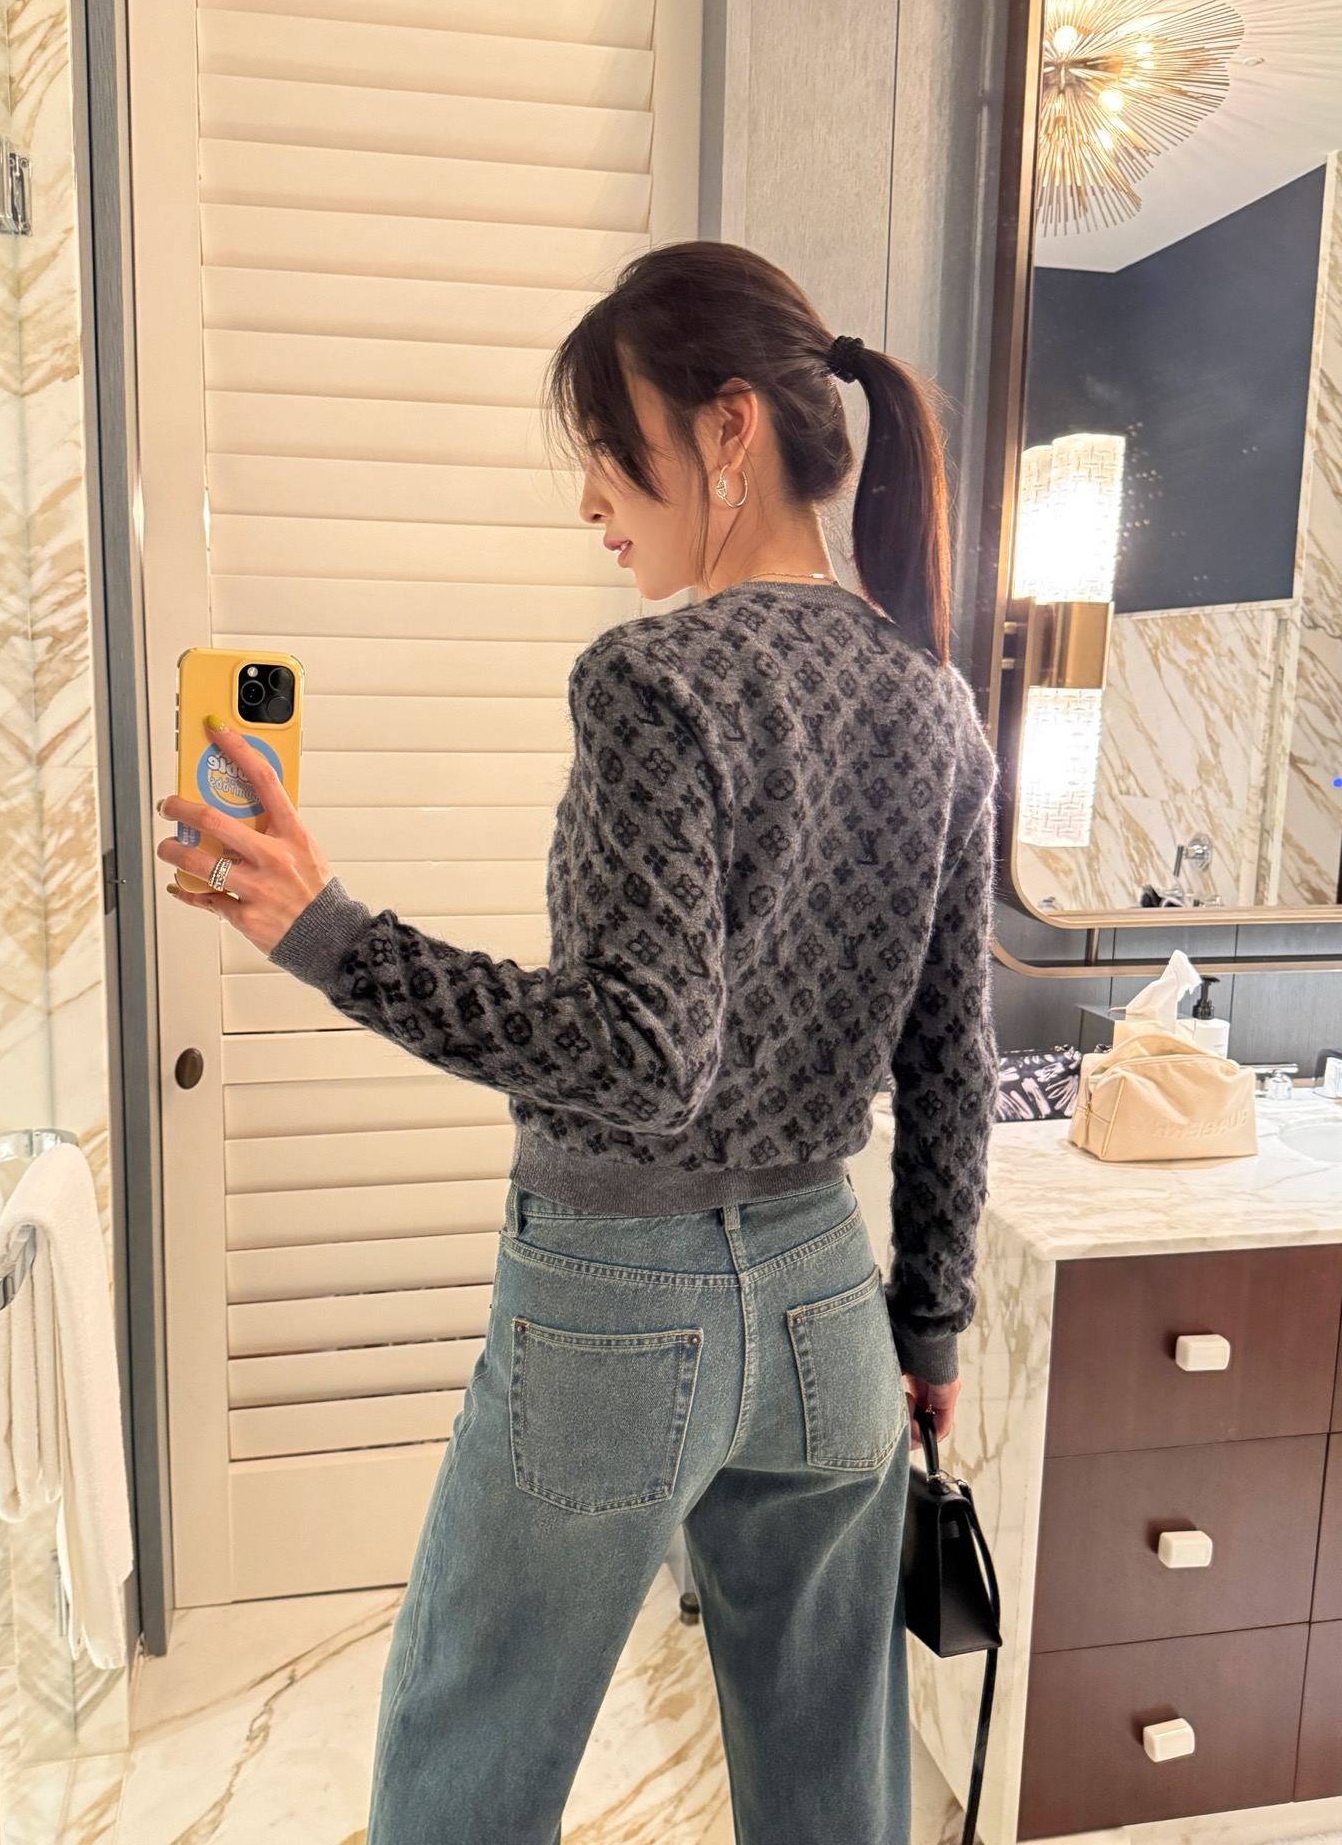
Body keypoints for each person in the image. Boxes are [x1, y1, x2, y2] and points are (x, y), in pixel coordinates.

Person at [155, 239, 999, 1845]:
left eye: (610, 449)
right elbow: (952, 1064)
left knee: (465, 1761)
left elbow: (637, 1058)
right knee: (834, 1786)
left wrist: (327, 929)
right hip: (828, 1305)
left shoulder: (656, 682)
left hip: (621, 1305)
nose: (593, 500)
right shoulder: (936, 703)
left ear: (728, 429)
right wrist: (931, 1328)